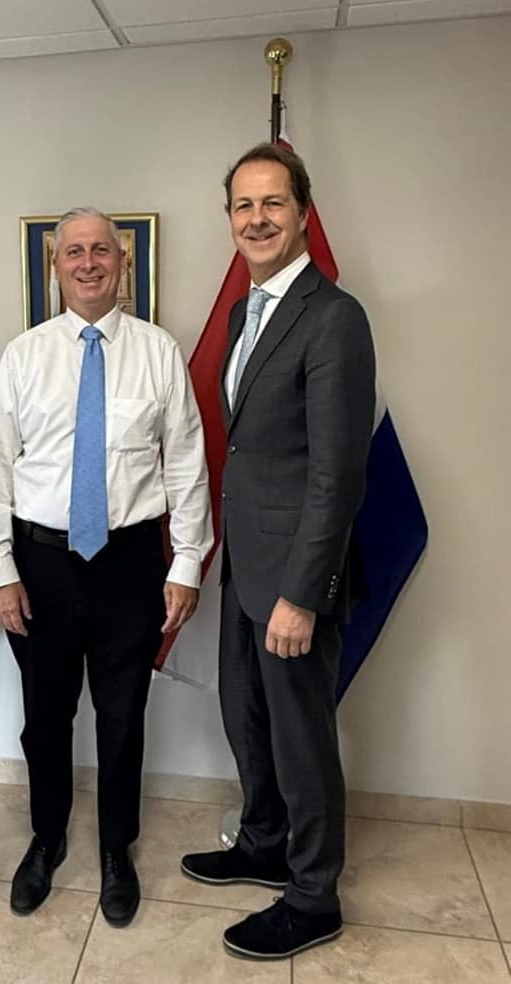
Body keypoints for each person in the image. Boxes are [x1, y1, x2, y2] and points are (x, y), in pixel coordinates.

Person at [0, 207, 212, 928]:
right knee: (45, 717)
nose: (87, 262)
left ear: (122, 261)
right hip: (39, 565)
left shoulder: (158, 352)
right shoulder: (23, 356)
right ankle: (46, 839)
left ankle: (115, 848)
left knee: (123, 716)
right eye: (72, 251)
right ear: (55, 266)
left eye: (100, 250)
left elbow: (187, 465)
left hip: (130, 565)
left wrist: (187, 562)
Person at [180, 144, 376, 960]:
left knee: (300, 737)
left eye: (272, 203)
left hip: (293, 576)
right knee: (245, 717)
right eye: (242, 205)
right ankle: (263, 842)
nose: (255, 218)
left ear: (301, 213)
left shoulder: (333, 317)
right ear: (229, 218)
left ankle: (312, 893)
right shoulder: (242, 313)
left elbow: (336, 472)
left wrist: (302, 594)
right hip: (244, 567)